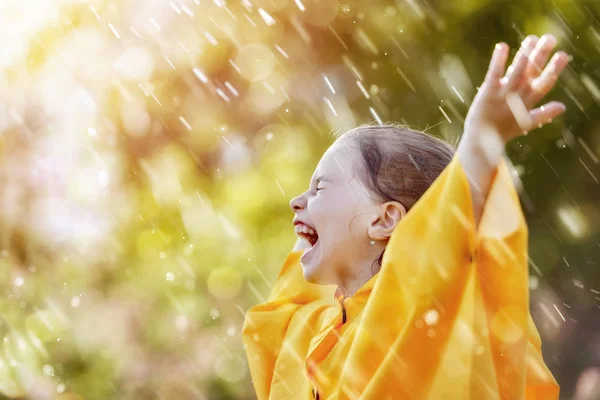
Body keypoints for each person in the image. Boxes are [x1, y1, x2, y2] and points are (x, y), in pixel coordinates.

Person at [242, 33, 569, 399]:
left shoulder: (417, 312)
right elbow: (274, 322)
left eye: (319, 187)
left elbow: (438, 252)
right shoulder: (310, 333)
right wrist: (311, 221)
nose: (295, 201)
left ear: (384, 220)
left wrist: (481, 141)